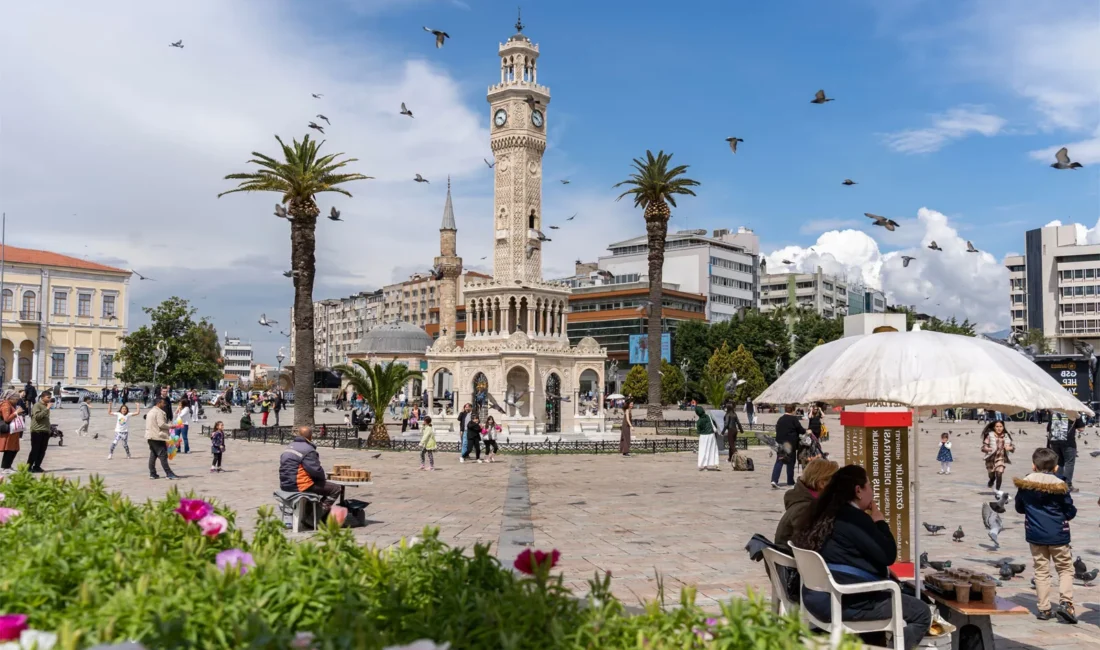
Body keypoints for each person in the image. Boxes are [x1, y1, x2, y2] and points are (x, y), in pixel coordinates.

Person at [794, 465, 932, 650]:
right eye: (870, 486)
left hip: (815, 597)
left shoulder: (820, 513)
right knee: (921, 612)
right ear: (859, 491)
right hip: (844, 602)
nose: (872, 492)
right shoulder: (855, 519)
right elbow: (888, 554)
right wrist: (880, 521)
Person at [1014, 447, 1078, 624]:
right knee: (1065, 568)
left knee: (1041, 570)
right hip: (1058, 534)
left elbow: (1019, 508)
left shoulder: (1025, 484)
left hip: (1035, 534)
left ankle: (1044, 609)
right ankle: (1066, 603)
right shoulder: (1060, 485)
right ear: (1056, 467)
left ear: (1034, 466)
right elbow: (1069, 511)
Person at [279, 425, 342, 520]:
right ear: (311, 436)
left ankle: (308, 513)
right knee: (335, 489)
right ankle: (313, 519)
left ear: (299, 434)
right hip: (300, 485)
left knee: (318, 487)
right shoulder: (308, 450)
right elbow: (316, 470)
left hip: (285, 484)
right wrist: (322, 479)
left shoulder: (289, 446)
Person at [774, 458, 839, 550]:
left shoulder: (805, 501)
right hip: (793, 561)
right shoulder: (805, 508)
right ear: (822, 484)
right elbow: (809, 546)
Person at [772, 404, 805, 489]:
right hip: (790, 444)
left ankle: (774, 480)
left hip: (780, 444)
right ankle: (790, 481)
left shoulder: (781, 419)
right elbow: (800, 430)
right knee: (790, 462)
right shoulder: (793, 419)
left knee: (779, 461)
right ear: (793, 410)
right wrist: (807, 431)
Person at [145, 397, 179, 480]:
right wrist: (171, 426)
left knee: (153, 455)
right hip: (157, 436)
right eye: (163, 403)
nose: (164, 405)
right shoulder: (158, 412)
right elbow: (161, 424)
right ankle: (169, 473)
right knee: (162, 455)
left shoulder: (150, 411)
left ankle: (152, 473)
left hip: (150, 436)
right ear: (158, 403)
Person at [1046, 412, 1079, 492]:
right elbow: (1081, 428)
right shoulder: (1074, 412)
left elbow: (1048, 428)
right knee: (1069, 463)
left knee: (1059, 462)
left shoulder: (1054, 412)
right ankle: (1067, 484)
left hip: (1054, 441)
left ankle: (1058, 483)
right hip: (1068, 442)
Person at [981, 420, 1015, 495]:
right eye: (997, 426)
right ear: (994, 427)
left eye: (1001, 426)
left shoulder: (1006, 436)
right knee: (991, 474)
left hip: (1000, 458)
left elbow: (1012, 447)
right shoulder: (990, 435)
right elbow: (983, 447)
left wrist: (1010, 448)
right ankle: (992, 479)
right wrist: (987, 449)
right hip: (990, 458)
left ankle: (997, 490)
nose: (999, 428)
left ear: (1003, 427)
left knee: (999, 473)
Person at [27, 391, 53, 473]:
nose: (49, 399)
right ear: (42, 397)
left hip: (45, 431)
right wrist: (47, 408)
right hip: (37, 431)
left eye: (50, 397)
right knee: (35, 450)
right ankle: (28, 467)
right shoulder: (37, 405)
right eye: (48, 397)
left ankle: (37, 466)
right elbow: (37, 417)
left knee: (42, 450)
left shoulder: (45, 406)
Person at [0, 390, 25, 473]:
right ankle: (5, 467)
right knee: (10, 449)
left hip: (14, 431)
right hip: (9, 431)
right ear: (10, 398)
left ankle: (8, 466)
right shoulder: (5, 405)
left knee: (14, 449)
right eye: (15, 399)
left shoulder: (10, 404)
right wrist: (16, 413)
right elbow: (6, 419)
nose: (17, 400)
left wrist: (17, 413)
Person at [695, 405, 719, 471]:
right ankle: (716, 463)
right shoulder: (708, 417)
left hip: (703, 437)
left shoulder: (699, 421)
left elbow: (698, 431)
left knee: (704, 450)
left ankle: (705, 466)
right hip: (711, 435)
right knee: (712, 449)